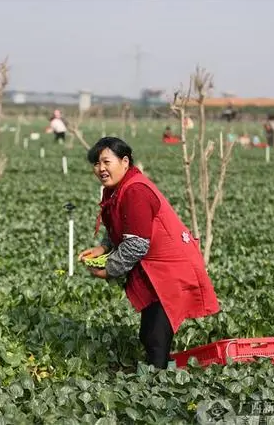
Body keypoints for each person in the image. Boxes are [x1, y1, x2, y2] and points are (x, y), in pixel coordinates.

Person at [78, 137, 220, 369]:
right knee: (150, 333)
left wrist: (109, 270)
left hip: (170, 269)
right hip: (155, 268)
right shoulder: (119, 188)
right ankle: (161, 373)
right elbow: (124, 226)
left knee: (156, 336)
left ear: (125, 162)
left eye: (106, 161)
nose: (101, 168)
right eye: (96, 163)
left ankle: (161, 383)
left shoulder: (135, 191)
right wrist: (104, 248)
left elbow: (136, 244)